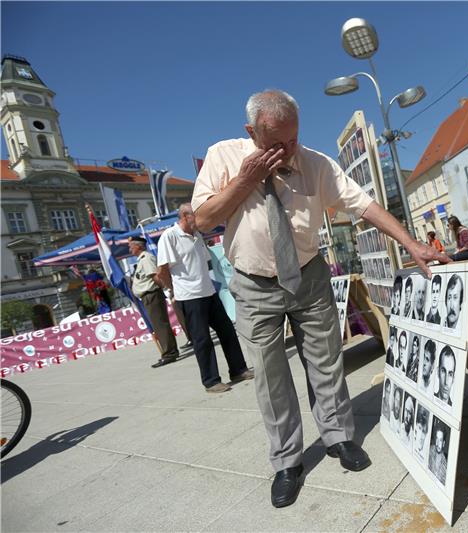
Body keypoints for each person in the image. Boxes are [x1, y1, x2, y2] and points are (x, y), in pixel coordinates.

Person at [192, 89, 448, 508]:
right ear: (250, 131)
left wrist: (411, 243)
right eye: (276, 143)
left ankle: (339, 437)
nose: (288, 150)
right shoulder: (222, 156)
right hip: (254, 284)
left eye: (293, 139)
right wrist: (247, 179)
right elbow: (203, 219)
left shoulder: (314, 162)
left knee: (326, 360)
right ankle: (287, 461)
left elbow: (364, 206)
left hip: (309, 276)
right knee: (270, 376)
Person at [156, 204, 253, 393]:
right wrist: (173, 290)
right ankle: (211, 381)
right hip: (189, 296)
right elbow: (162, 270)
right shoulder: (170, 236)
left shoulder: (197, 235)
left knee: (227, 331)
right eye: (197, 215)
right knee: (202, 340)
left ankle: (238, 370)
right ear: (185, 216)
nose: (201, 219)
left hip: (208, 292)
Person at [128, 236, 180, 368]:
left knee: (160, 324)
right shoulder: (142, 259)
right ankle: (170, 351)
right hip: (149, 296)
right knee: (159, 324)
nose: (129, 249)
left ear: (138, 246)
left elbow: (155, 276)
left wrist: (165, 287)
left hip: (152, 295)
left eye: (131, 246)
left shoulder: (146, 258)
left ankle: (169, 353)